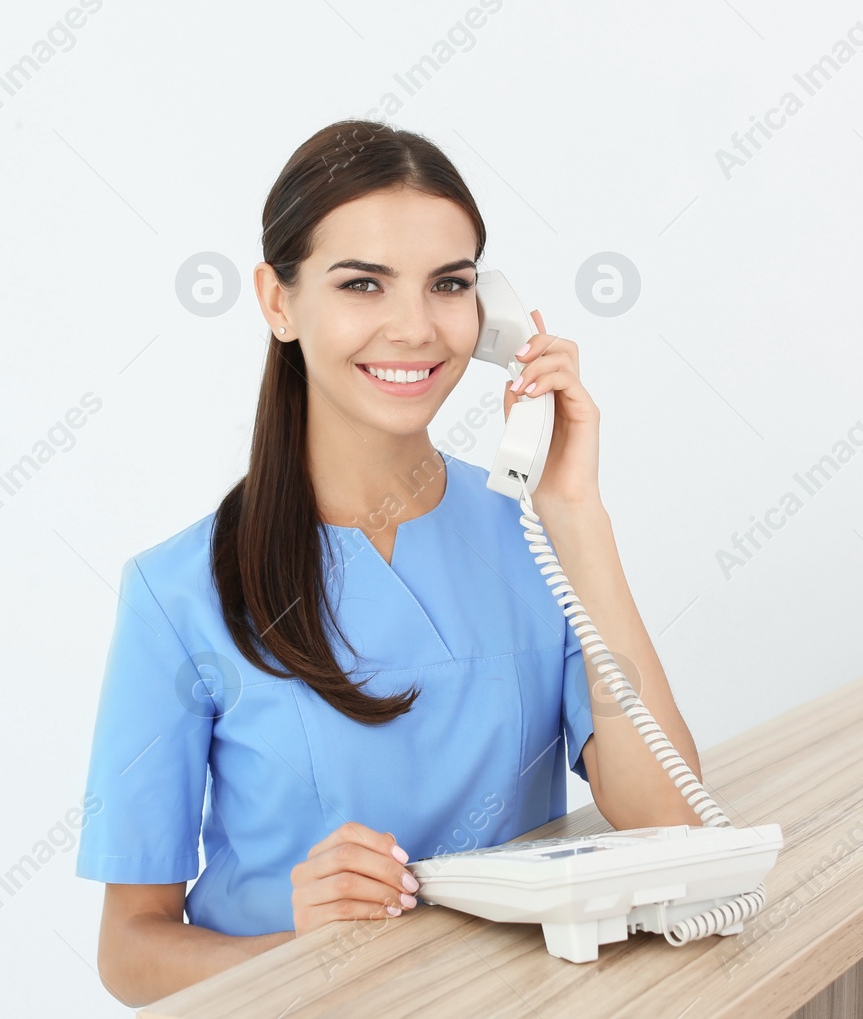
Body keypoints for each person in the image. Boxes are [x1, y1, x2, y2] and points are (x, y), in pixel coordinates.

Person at [76, 119, 705, 1006]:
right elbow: (130, 953)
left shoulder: (536, 540)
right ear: (278, 302)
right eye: (363, 283)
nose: (414, 327)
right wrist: (295, 950)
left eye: (449, 285)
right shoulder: (176, 594)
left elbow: (670, 821)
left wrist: (576, 515)